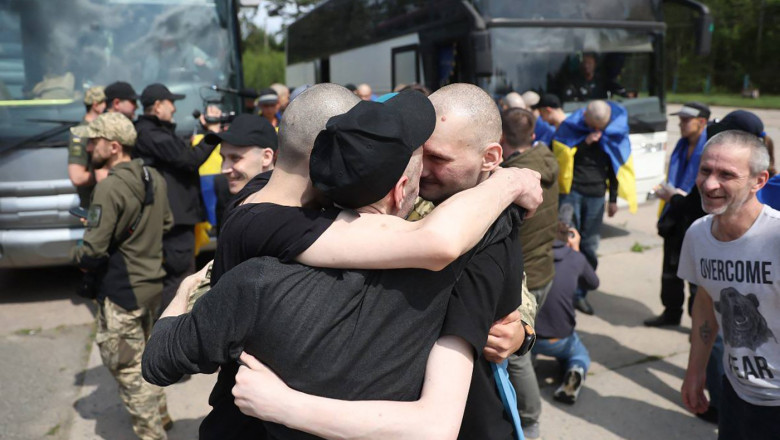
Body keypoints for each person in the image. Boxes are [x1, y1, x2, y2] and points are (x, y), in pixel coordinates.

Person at [144, 89, 536, 439]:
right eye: (420, 157)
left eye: (437, 157)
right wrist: (511, 182)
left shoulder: (257, 269)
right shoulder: (468, 244)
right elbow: (438, 241)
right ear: (401, 189)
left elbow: (162, 358)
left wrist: (523, 332)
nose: (426, 171)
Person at [70, 112, 173, 440]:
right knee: (146, 358)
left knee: (129, 371)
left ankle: (153, 434)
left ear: (114, 147)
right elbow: (166, 223)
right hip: (152, 284)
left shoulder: (109, 187)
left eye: (94, 140)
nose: (89, 146)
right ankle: (162, 417)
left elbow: (92, 252)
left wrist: (86, 245)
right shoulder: (153, 177)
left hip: (122, 291)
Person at [678, 130, 777, 439]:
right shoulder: (698, 235)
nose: (709, 184)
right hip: (735, 392)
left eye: (726, 175)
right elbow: (706, 301)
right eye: (705, 170)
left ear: (758, 181)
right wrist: (696, 371)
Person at [132, 83, 221, 312]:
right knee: (179, 276)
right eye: (171, 103)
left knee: (179, 272)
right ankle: (171, 329)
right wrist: (212, 136)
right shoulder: (152, 134)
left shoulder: (153, 132)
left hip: (174, 215)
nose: (174, 109)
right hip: (175, 218)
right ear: (158, 105)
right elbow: (188, 159)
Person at [500, 107, 559, 439]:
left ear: (502, 138)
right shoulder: (547, 159)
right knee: (526, 352)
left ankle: (531, 419)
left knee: (517, 353)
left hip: (528, 278)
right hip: (545, 268)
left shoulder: (513, 181)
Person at [552, 99, 636, 315]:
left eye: (601, 127)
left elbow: (615, 166)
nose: (597, 131)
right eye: (592, 126)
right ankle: (562, 292)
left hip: (596, 196)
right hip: (572, 194)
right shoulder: (572, 127)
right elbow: (560, 155)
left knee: (589, 245)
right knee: (565, 240)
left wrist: (614, 199)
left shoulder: (613, 134)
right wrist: (584, 143)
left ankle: (580, 294)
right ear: (586, 119)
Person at [645, 102, 711, 327]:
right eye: (680, 119)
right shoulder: (682, 145)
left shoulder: (709, 148)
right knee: (670, 270)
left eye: (686, 120)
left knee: (697, 277)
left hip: (695, 217)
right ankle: (671, 312)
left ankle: (697, 323)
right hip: (675, 214)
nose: (681, 124)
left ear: (702, 122)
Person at [533, 219, 598, 404]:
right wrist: (576, 249)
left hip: (529, 335)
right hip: (560, 337)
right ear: (568, 236)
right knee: (580, 354)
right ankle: (575, 370)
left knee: (522, 351)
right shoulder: (575, 258)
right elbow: (593, 283)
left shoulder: (531, 258)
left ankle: (529, 363)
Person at [210, 113, 277, 233]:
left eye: (235, 158)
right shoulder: (225, 192)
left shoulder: (290, 206)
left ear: (266, 157)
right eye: (223, 158)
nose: (224, 169)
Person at [68, 86, 107, 208]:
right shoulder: (81, 132)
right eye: (105, 103)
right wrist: (107, 175)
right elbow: (77, 177)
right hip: (92, 203)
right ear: (96, 105)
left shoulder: (102, 127)